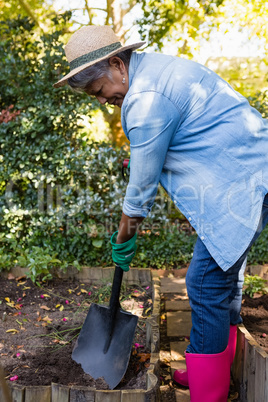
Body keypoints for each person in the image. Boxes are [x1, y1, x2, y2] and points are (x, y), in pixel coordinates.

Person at [54, 25, 268, 401]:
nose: (102, 101)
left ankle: (208, 390)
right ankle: (210, 366)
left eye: (99, 91)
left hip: (245, 182)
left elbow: (140, 190)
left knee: (205, 283)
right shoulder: (156, 70)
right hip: (246, 173)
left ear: (117, 64)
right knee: (224, 277)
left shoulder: (146, 99)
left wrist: (124, 236)